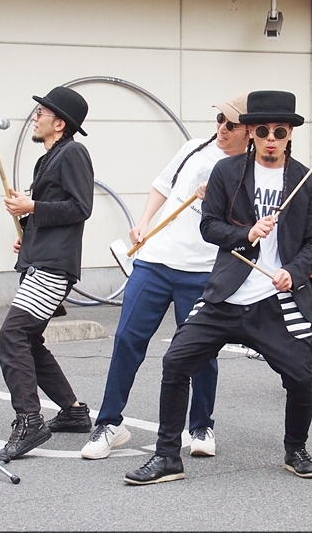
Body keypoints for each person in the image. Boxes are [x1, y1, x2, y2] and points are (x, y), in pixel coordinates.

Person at [124, 90, 312, 484]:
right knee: (175, 362)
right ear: (251, 133)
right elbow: (209, 226)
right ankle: (167, 457)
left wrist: (293, 272)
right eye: (263, 130)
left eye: (280, 131)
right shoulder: (227, 172)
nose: (271, 138)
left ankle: (296, 450)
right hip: (226, 294)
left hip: (276, 297)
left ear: (290, 134)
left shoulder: (307, 182)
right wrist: (245, 233)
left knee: (302, 377)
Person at [79, 92, 251, 460]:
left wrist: (216, 197)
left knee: (201, 350)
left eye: (232, 124)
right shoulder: (193, 148)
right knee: (127, 339)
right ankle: (109, 423)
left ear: (250, 131)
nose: (222, 128)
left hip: (203, 270)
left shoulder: (250, 170)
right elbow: (162, 185)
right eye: (219, 119)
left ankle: (201, 425)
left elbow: (245, 225)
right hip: (155, 260)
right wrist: (142, 222)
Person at [0, 87, 95, 461]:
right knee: (29, 339)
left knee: (13, 335)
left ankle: (30, 420)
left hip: (53, 266)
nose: (35, 118)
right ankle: (72, 411)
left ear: (60, 123)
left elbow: (81, 207)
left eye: (42, 113)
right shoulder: (47, 158)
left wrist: (32, 205)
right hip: (41, 259)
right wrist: (28, 230)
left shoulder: (73, 153)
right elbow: (53, 209)